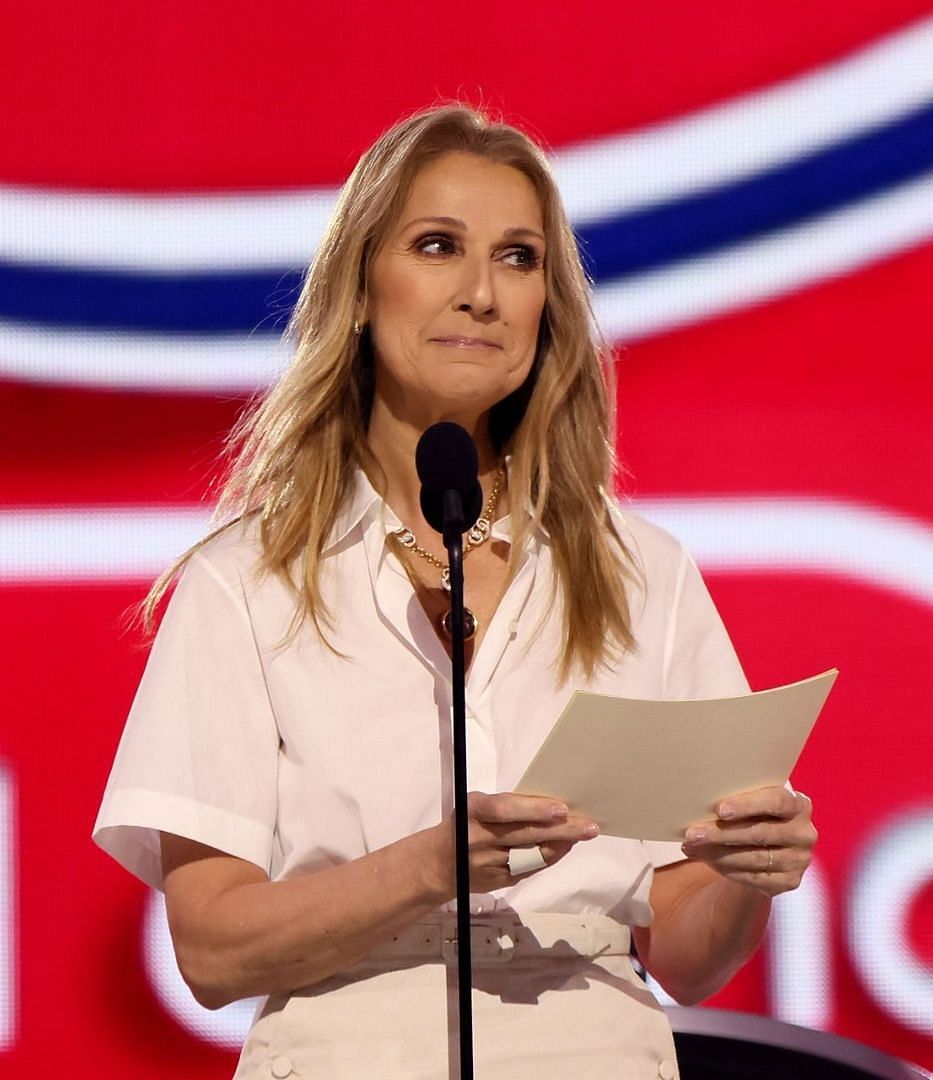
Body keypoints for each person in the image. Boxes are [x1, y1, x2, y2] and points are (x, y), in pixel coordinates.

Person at [91, 103, 816, 1079]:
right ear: (359, 288)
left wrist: (745, 878)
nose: (482, 292)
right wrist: (429, 869)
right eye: (438, 246)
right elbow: (214, 952)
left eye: (519, 259)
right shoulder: (244, 583)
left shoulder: (649, 574)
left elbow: (688, 958)